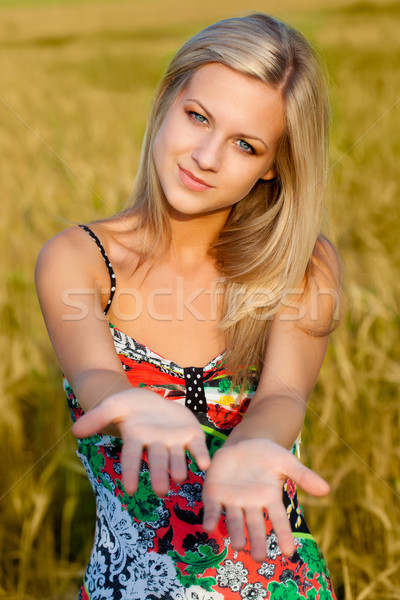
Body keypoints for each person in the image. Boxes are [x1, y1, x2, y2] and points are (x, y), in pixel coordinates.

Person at [35, 12, 340, 600]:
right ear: (168, 98)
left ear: (273, 166)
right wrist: (127, 403)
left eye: (245, 145)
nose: (205, 156)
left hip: (282, 588)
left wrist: (252, 445)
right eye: (198, 116)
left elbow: (282, 396)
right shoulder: (80, 259)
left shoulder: (302, 262)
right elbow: (95, 371)